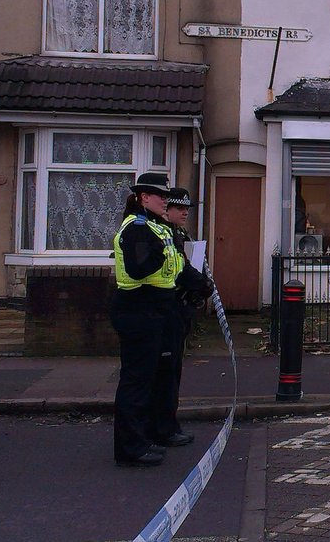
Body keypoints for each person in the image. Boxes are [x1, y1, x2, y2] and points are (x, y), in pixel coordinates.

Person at [110, 172, 203, 466]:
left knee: (156, 376)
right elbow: (139, 269)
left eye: (165, 196)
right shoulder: (137, 228)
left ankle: (150, 434)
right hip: (139, 309)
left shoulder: (157, 227)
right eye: (159, 195)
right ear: (143, 197)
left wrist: (201, 284)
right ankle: (131, 448)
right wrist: (162, 253)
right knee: (136, 382)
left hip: (159, 310)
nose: (165, 200)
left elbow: (177, 267)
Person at [153, 187, 211, 448]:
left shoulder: (178, 234)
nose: (185, 212)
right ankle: (163, 428)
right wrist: (200, 283)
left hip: (177, 310)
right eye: (179, 208)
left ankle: (167, 425)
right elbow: (179, 271)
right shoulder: (164, 235)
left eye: (187, 208)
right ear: (167, 209)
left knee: (172, 371)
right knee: (164, 374)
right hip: (166, 311)